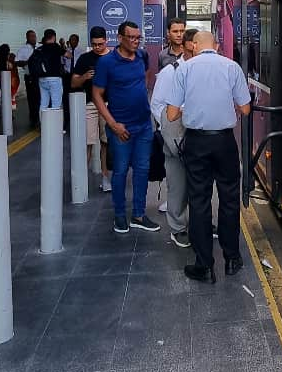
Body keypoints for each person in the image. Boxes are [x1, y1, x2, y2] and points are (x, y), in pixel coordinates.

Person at [166, 31, 251, 283]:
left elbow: (171, 115)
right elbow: (245, 108)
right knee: (229, 199)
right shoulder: (231, 67)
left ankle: (204, 265)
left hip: (197, 142)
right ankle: (232, 258)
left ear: (194, 45)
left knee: (199, 201)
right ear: (216, 45)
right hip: (225, 141)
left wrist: (190, 107)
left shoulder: (184, 69)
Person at [92, 21, 160, 233]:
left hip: (143, 126)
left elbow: (145, 77)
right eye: (131, 37)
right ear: (119, 38)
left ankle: (138, 215)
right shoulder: (107, 63)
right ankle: (120, 215)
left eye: (137, 38)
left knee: (142, 170)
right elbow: (96, 94)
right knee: (120, 171)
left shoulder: (141, 56)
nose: (135, 41)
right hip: (120, 128)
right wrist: (113, 124)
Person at [151, 27, 197, 248]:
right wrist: (168, 129)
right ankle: (178, 228)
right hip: (176, 132)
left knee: (199, 182)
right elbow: (157, 104)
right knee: (178, 183)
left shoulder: (204, 72)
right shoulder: (171, 72)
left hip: (198, 133)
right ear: (187, 49)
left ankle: (199, 223)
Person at [71, 26, 111, 190]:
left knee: (106, 142)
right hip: (90, 104)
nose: (97, 47)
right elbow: (73, 83)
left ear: (106, 41)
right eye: (94, 44)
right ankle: (80, 180)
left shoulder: (113, 58)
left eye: (100, 44)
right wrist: (85, 77)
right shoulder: (85, 59)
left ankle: (106, 177)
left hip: (109, 104)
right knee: (87, 142)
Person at [34, 29, 66, 112]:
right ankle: (55, 124)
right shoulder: (55, 46)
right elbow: (68, 55)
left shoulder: (39, 48)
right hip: (54, 79)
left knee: (44, 103)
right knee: (56, 104)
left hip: (42, 79)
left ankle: (43, 124)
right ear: (54, 37)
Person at [15, 30, 39, 127]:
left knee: (41, 97)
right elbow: (16, 62)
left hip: (40, 76)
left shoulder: (39, 47)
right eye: (31, 36)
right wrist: (26, 62)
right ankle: (33, 118)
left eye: (34, 36)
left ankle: (40, 116)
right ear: (27, 37)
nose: (33, 38)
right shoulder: (23, 49)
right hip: (30, 76)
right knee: (32, 97)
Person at [61, 34, 80, 132]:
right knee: (66, 100)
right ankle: (66, 123)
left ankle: (76, 122)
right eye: (71, 40)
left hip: (77, 78)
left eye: (74, 40)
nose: (72, 42)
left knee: (76, 99)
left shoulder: (81, 52)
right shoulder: (65, 52)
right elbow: (62, 63)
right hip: (67, 78)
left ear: (77, 41)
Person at [0, 44, 15, 115]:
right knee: (7, 96)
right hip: (4, 79)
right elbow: (9, 69)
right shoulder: (6, 61)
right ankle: (8, 111)